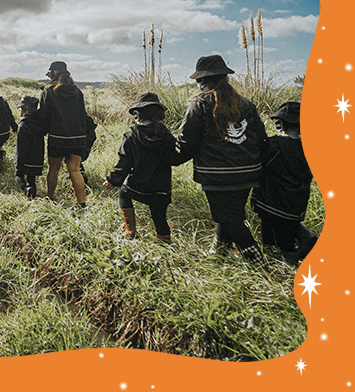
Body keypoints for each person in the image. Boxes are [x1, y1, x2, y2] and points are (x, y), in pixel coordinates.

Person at [174, 54, 267, 265]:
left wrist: (172, 157)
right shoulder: (246, 104)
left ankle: (257, 262)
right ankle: (219, 253)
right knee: (230, 214)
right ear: (225, 78)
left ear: (202, 81)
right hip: (249, 171)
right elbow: (260, 138)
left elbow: (187, 142)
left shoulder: (198, 105)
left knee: (230, 218)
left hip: (216, 174)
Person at [103, 93, 177, 243]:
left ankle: (130, 231)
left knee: (123, 193)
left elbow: (124, 162)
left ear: (138, 115)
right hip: (161, 186)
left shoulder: (130, 136)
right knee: (159, 215)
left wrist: (113, 180)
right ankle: (165, 242)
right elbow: (174, 159)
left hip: (137, 184)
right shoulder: (167, 136)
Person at [250, 102, 318, 264]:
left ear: (282, 124)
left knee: (283, 237)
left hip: (274, 199)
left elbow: (261, 164)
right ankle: (306, 240)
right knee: (289, 226)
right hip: (298, 200)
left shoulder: (274, 145)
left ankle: (290, 263)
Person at [38, 61, 88, 205]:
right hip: (78, 137)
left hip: (58, 137)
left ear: (53, 74)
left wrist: (40, 132)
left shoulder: (48, 91)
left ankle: (50, 198)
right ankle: (82, 203)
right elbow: (82, 115)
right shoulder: (77, 91)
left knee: (53, 169)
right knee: (75, 170)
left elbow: (44, 115)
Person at [13, 95, 45, 199]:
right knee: (32, 179)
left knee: (18, 176)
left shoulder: (23, 125)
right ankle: (32, 196)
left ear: (27, 110)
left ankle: (25, 189)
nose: (19, 109)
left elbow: (21, 147)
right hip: (37, 158)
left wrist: (18, 164)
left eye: (21, 108)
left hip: (25, 158)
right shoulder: (40, 122)